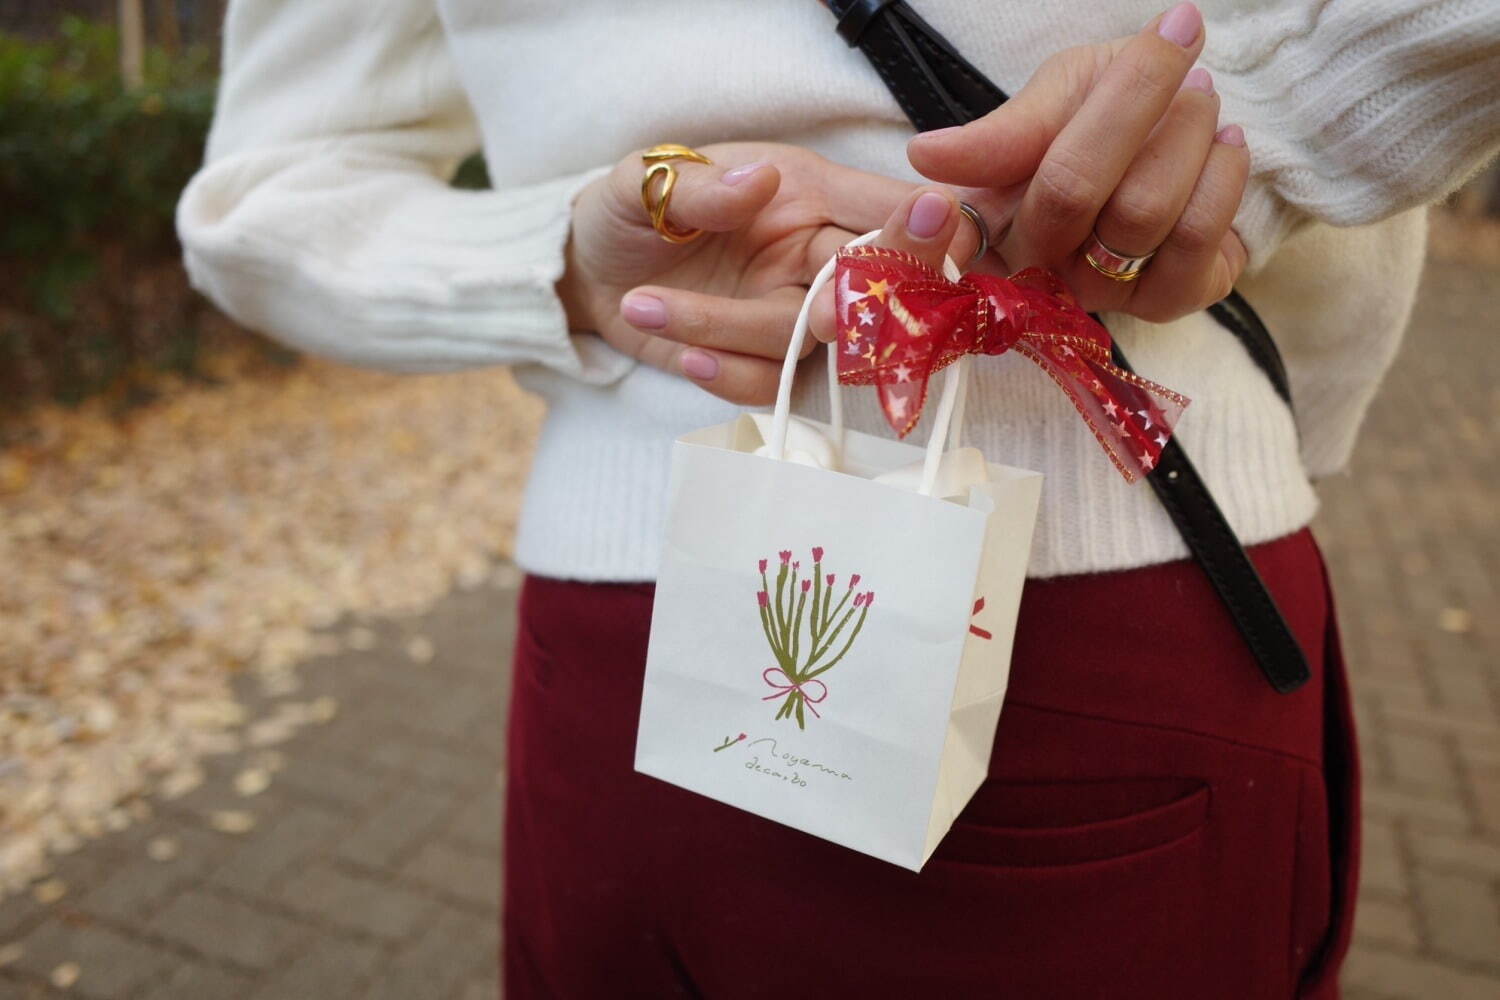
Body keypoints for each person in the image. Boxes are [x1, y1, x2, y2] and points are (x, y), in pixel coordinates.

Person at [178, 1, 1500, 995]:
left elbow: (274, 194)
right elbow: (262, 201)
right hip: (786, 648)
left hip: (985, 639)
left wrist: (1227, 134)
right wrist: (572, 270)